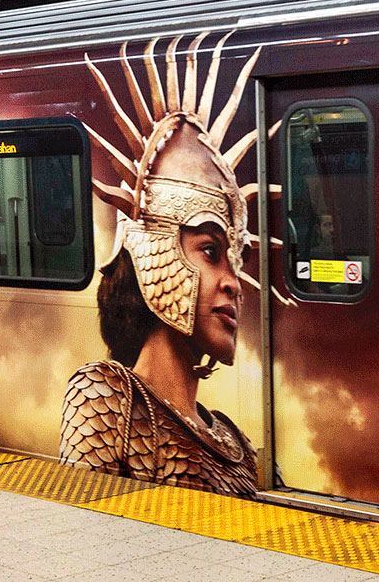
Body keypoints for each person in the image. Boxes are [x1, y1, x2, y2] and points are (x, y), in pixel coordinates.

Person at [60, 36, 264, 497]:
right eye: (211, 252)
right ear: (156, 251)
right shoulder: (108, 396)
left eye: (238, 261)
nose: (234, 283)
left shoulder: (235, 444)